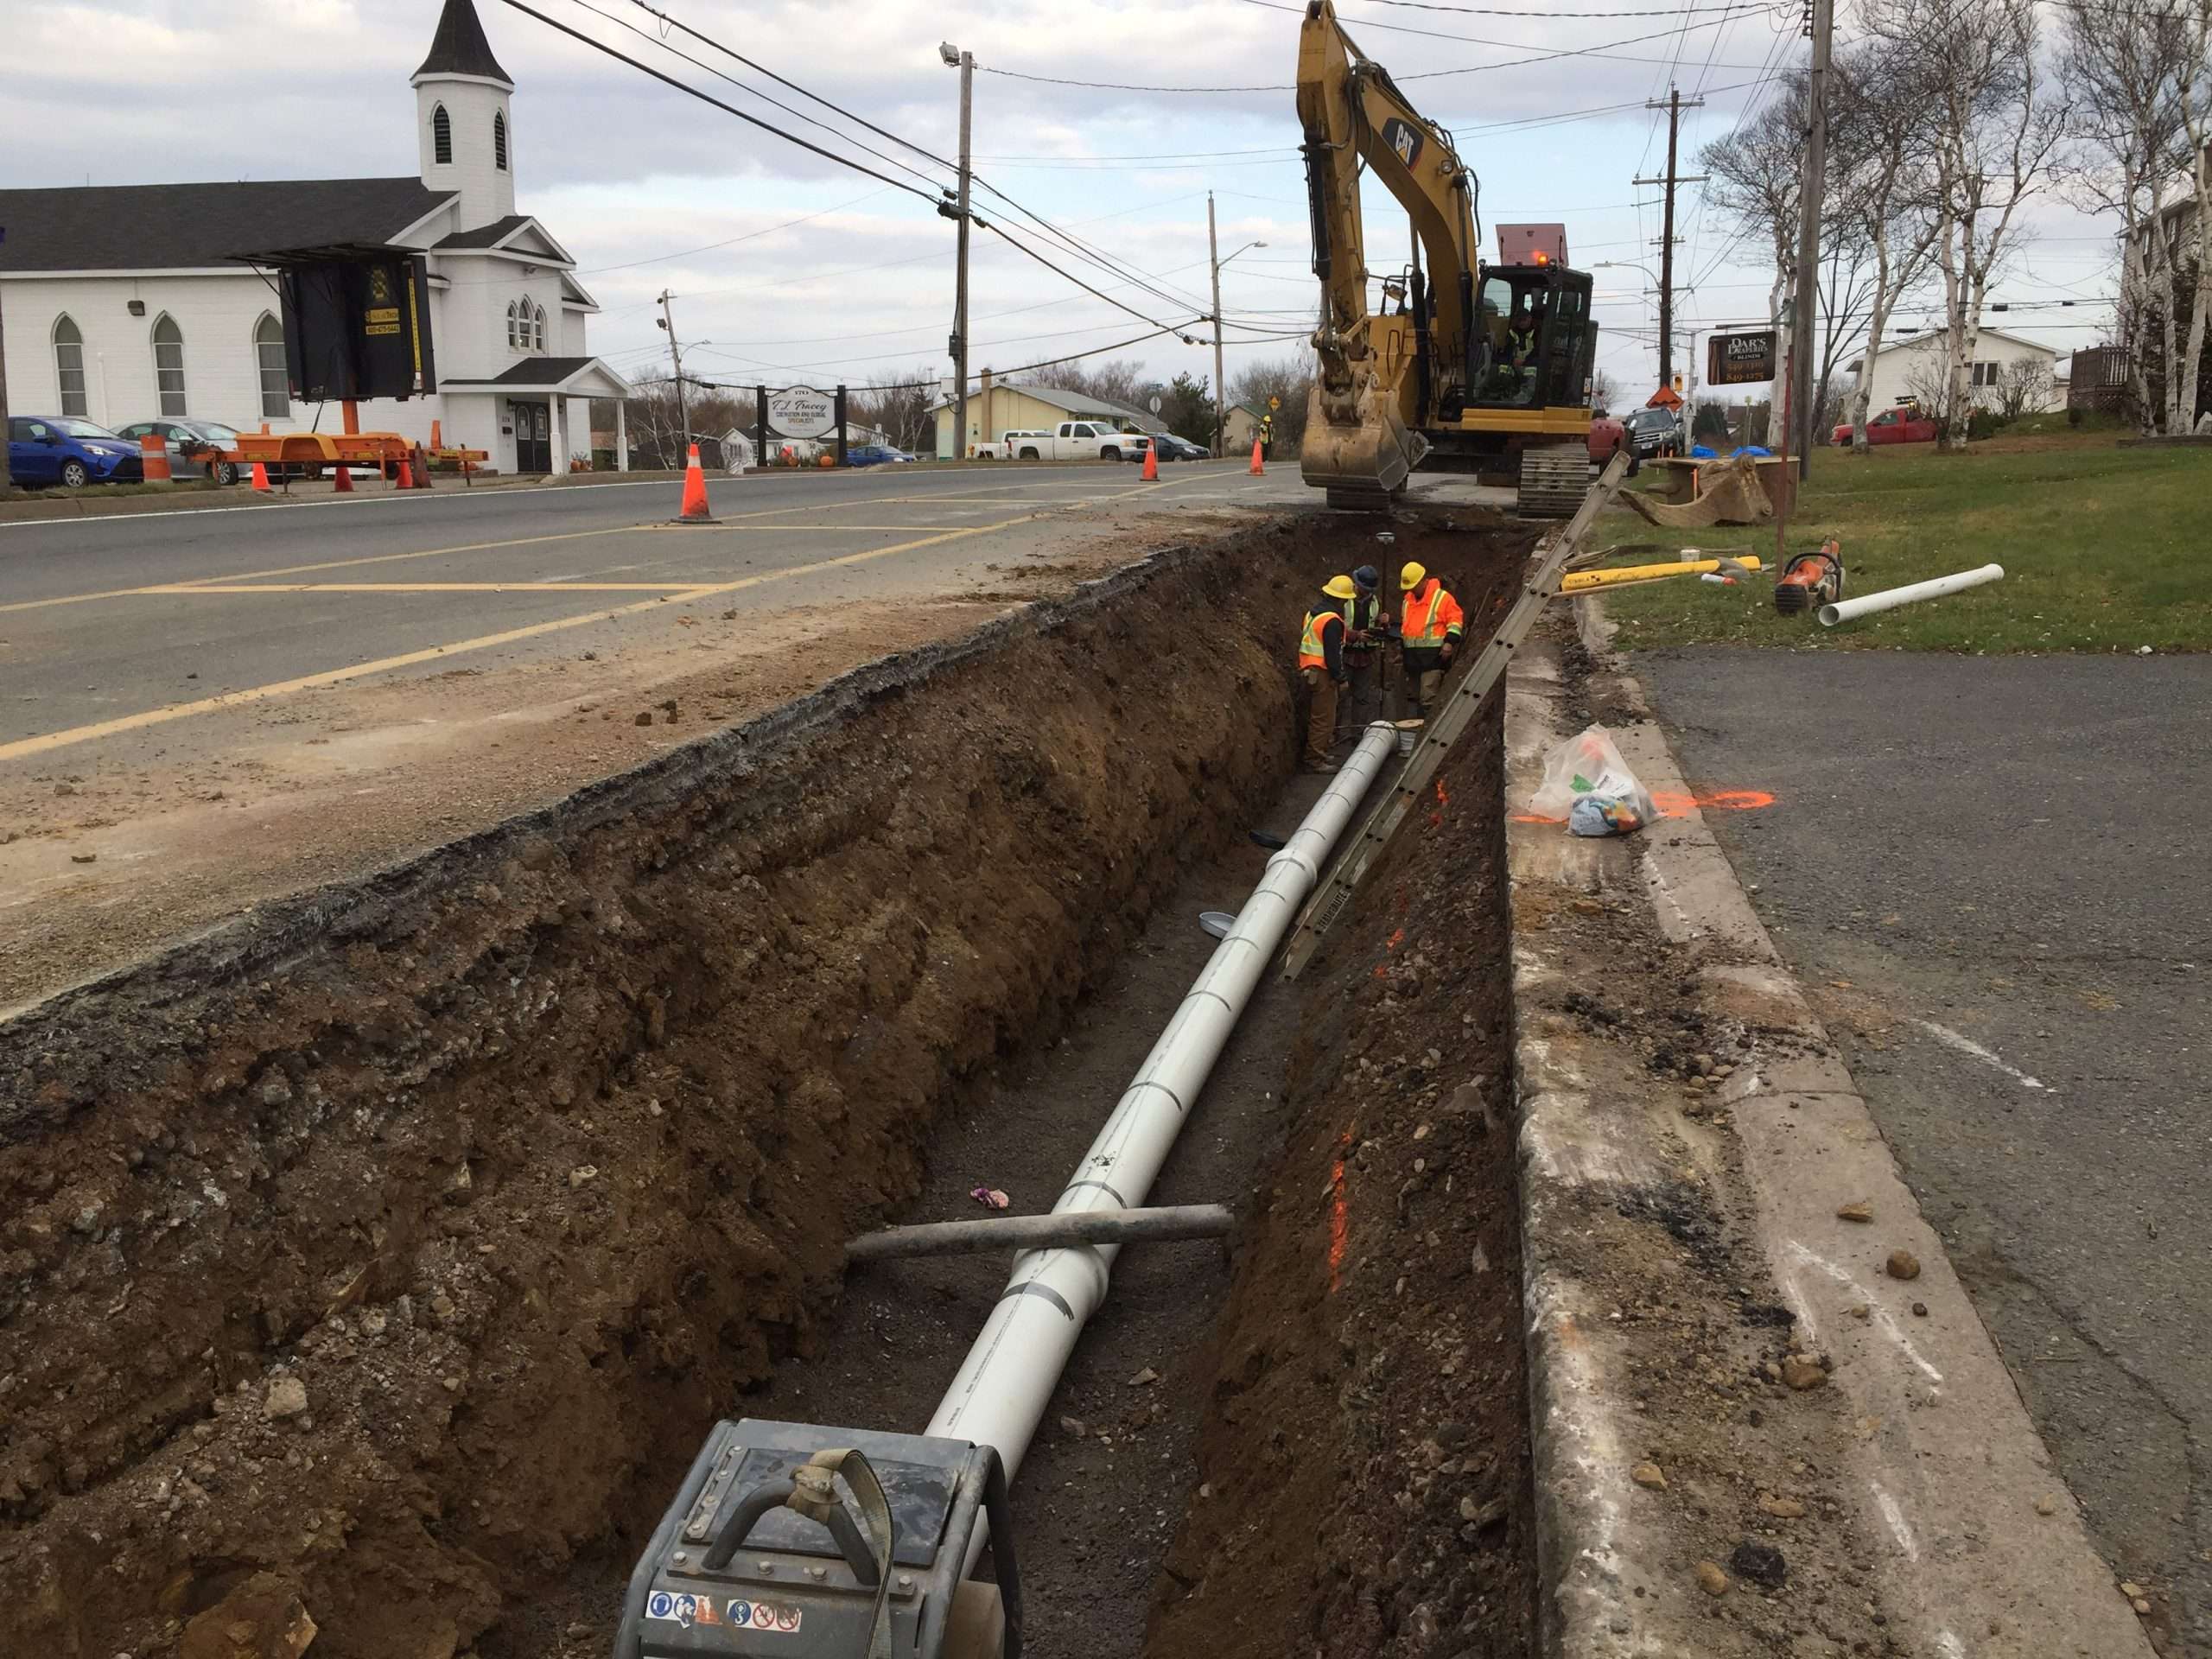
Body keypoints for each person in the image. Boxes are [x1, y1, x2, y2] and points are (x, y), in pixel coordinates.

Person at [1299, 575, 1356, 772]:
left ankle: (1319, 752)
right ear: (1341, 600)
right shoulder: (1332, 621)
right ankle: (1314, 760)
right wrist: (1341, 678)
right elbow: (1332, 654)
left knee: (1319, 716)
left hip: (1310, 669)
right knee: (1324, 719)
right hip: (1322, 673)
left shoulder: (1313, 614)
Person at [1398, 562, 1465, 721]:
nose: (1411, 589)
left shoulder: (1442, 598)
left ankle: (1428, 733)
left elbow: (1455, 621)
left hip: (1433, 658)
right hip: (1412, 659)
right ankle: (1414, 731)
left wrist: (1450, 642)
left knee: (1428, 697)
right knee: (1413, 697)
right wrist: (1402, 650)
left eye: (1414, 586)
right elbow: (1407, 628)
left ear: (1423, 580)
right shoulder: (1407, 601)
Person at [1341, 565, 1389, 721]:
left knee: (1362, 698)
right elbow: (1333, 627)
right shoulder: (1344, 599)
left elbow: (1380, 631)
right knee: (1340, 696)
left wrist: (1384, 624)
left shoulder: (1376, 602)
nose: (1368, 592)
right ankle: (1334, 735)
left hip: (1366, 657)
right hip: (1345, 654)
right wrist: (1355, 635)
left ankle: (1358, 734)